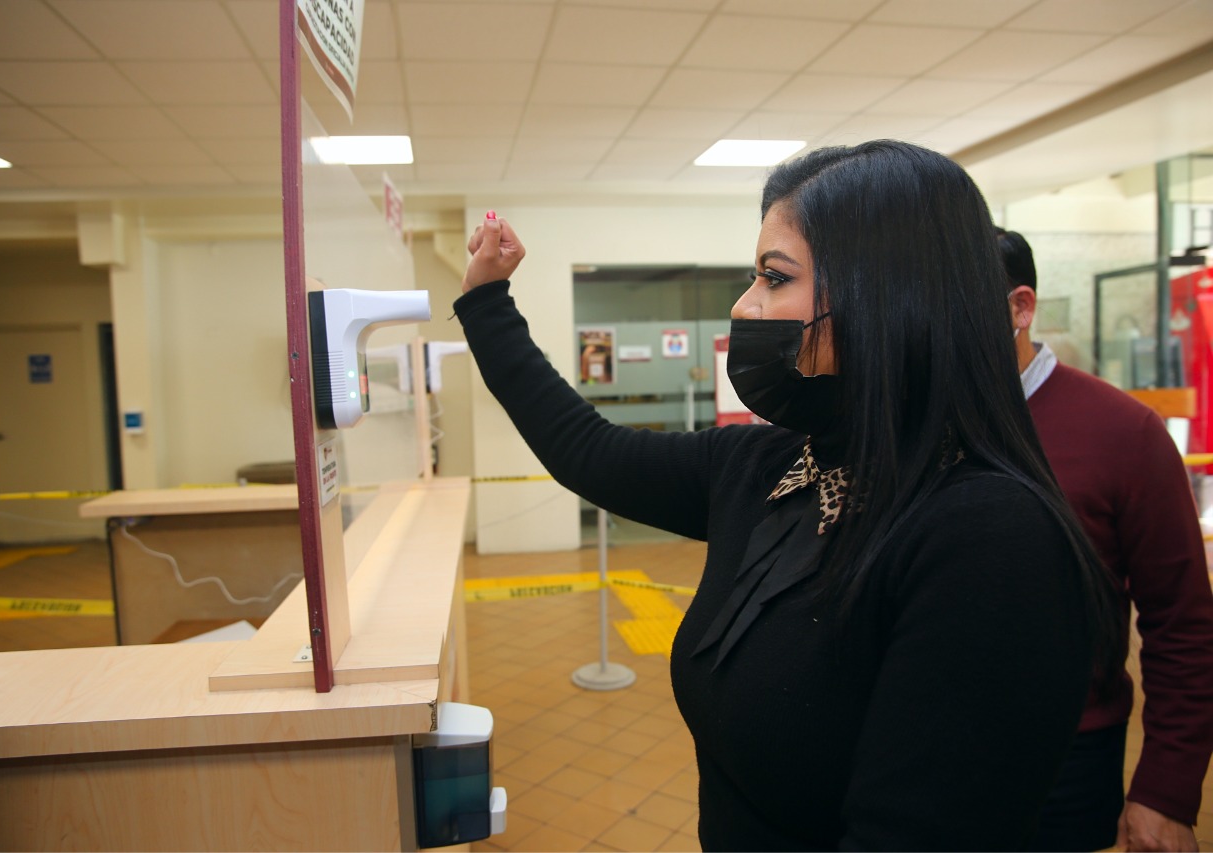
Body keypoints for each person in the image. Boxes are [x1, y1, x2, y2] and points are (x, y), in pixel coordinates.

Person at [456, 141, 1125, 850]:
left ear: (887, 296)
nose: (745, 304)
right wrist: (486, 302)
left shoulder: (988, 541)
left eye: (775, 278)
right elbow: (591, 451)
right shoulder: (775, 465)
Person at [1000, 227, 1213, 852]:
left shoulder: (1124, 433)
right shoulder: (916, 426)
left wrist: (1166, 789)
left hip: (1069, 759)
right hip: (925, 753)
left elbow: (1183, 621)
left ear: (1020, 308)